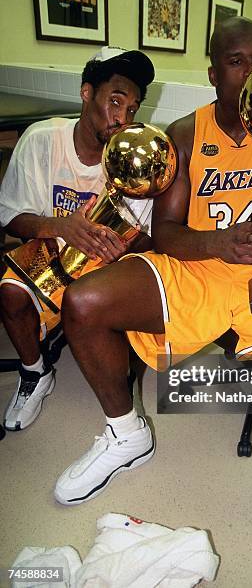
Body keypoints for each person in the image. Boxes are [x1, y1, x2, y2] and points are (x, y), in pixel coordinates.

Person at [58, 18, 252, 588]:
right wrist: (218, 243)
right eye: (236, 61)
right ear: (213, 73)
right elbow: (167, 231)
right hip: (196, 270)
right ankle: (126, 433)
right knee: (82, 301)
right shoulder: (186, 131)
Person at [0, 46, 155, 432]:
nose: (123, 117)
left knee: (117, 307)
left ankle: (121, 398)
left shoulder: (134, 159)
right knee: (9, 293)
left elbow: (152, 240)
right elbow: (9, 218)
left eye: (133, 108)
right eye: (115, 101)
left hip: (105, 262)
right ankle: (35, 371)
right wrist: (61, 226)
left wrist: (127, 245)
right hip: (51, 249)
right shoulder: (42, 140)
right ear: (87, 93)